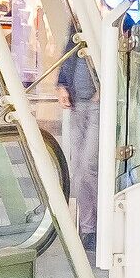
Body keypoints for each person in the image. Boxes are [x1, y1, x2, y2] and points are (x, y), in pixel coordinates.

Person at [56, 25, 100, 248]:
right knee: (78, 170)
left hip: (97, 107)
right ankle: (88, 227)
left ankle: (96, 224)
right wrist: (62, 86)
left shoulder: (106, 25)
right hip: (77, 106)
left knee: (88, 167)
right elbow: (68, 59)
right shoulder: (77, 28)